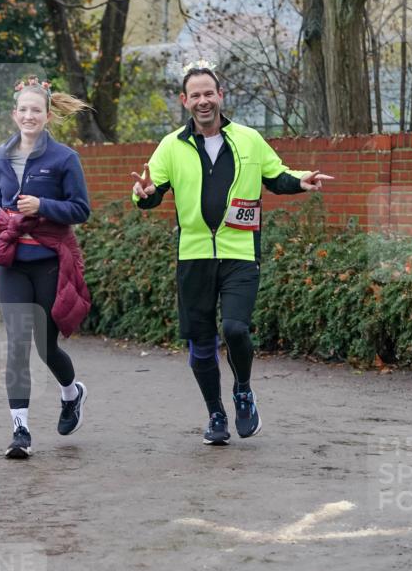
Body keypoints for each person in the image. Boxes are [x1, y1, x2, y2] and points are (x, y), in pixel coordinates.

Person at [132, 60, 333, 446]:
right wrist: (143, 193)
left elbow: (276, 175)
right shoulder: (171, 146)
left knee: (236, 328)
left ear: (221, 96)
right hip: (194, 256)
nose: (203, 101)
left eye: (209, 93)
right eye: (195, 95)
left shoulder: (248, 139)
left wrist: (301, 179)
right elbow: (150, 189)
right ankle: (215, 414)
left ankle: (243, 390)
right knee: (201, 343)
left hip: (240, 251)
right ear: (185, 101)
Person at [0, 76, 91, 460]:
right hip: (11, 262)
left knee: (45, 346)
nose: (29, 115)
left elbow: (81, 209)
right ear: (14, 114)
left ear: (47, 115)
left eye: (36, 110)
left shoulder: (64, 159)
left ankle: (71, 393)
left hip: (49, 262)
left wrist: (43, 206)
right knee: (18, 343)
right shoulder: (0, 156)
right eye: (23, 109)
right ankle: (20, 430)